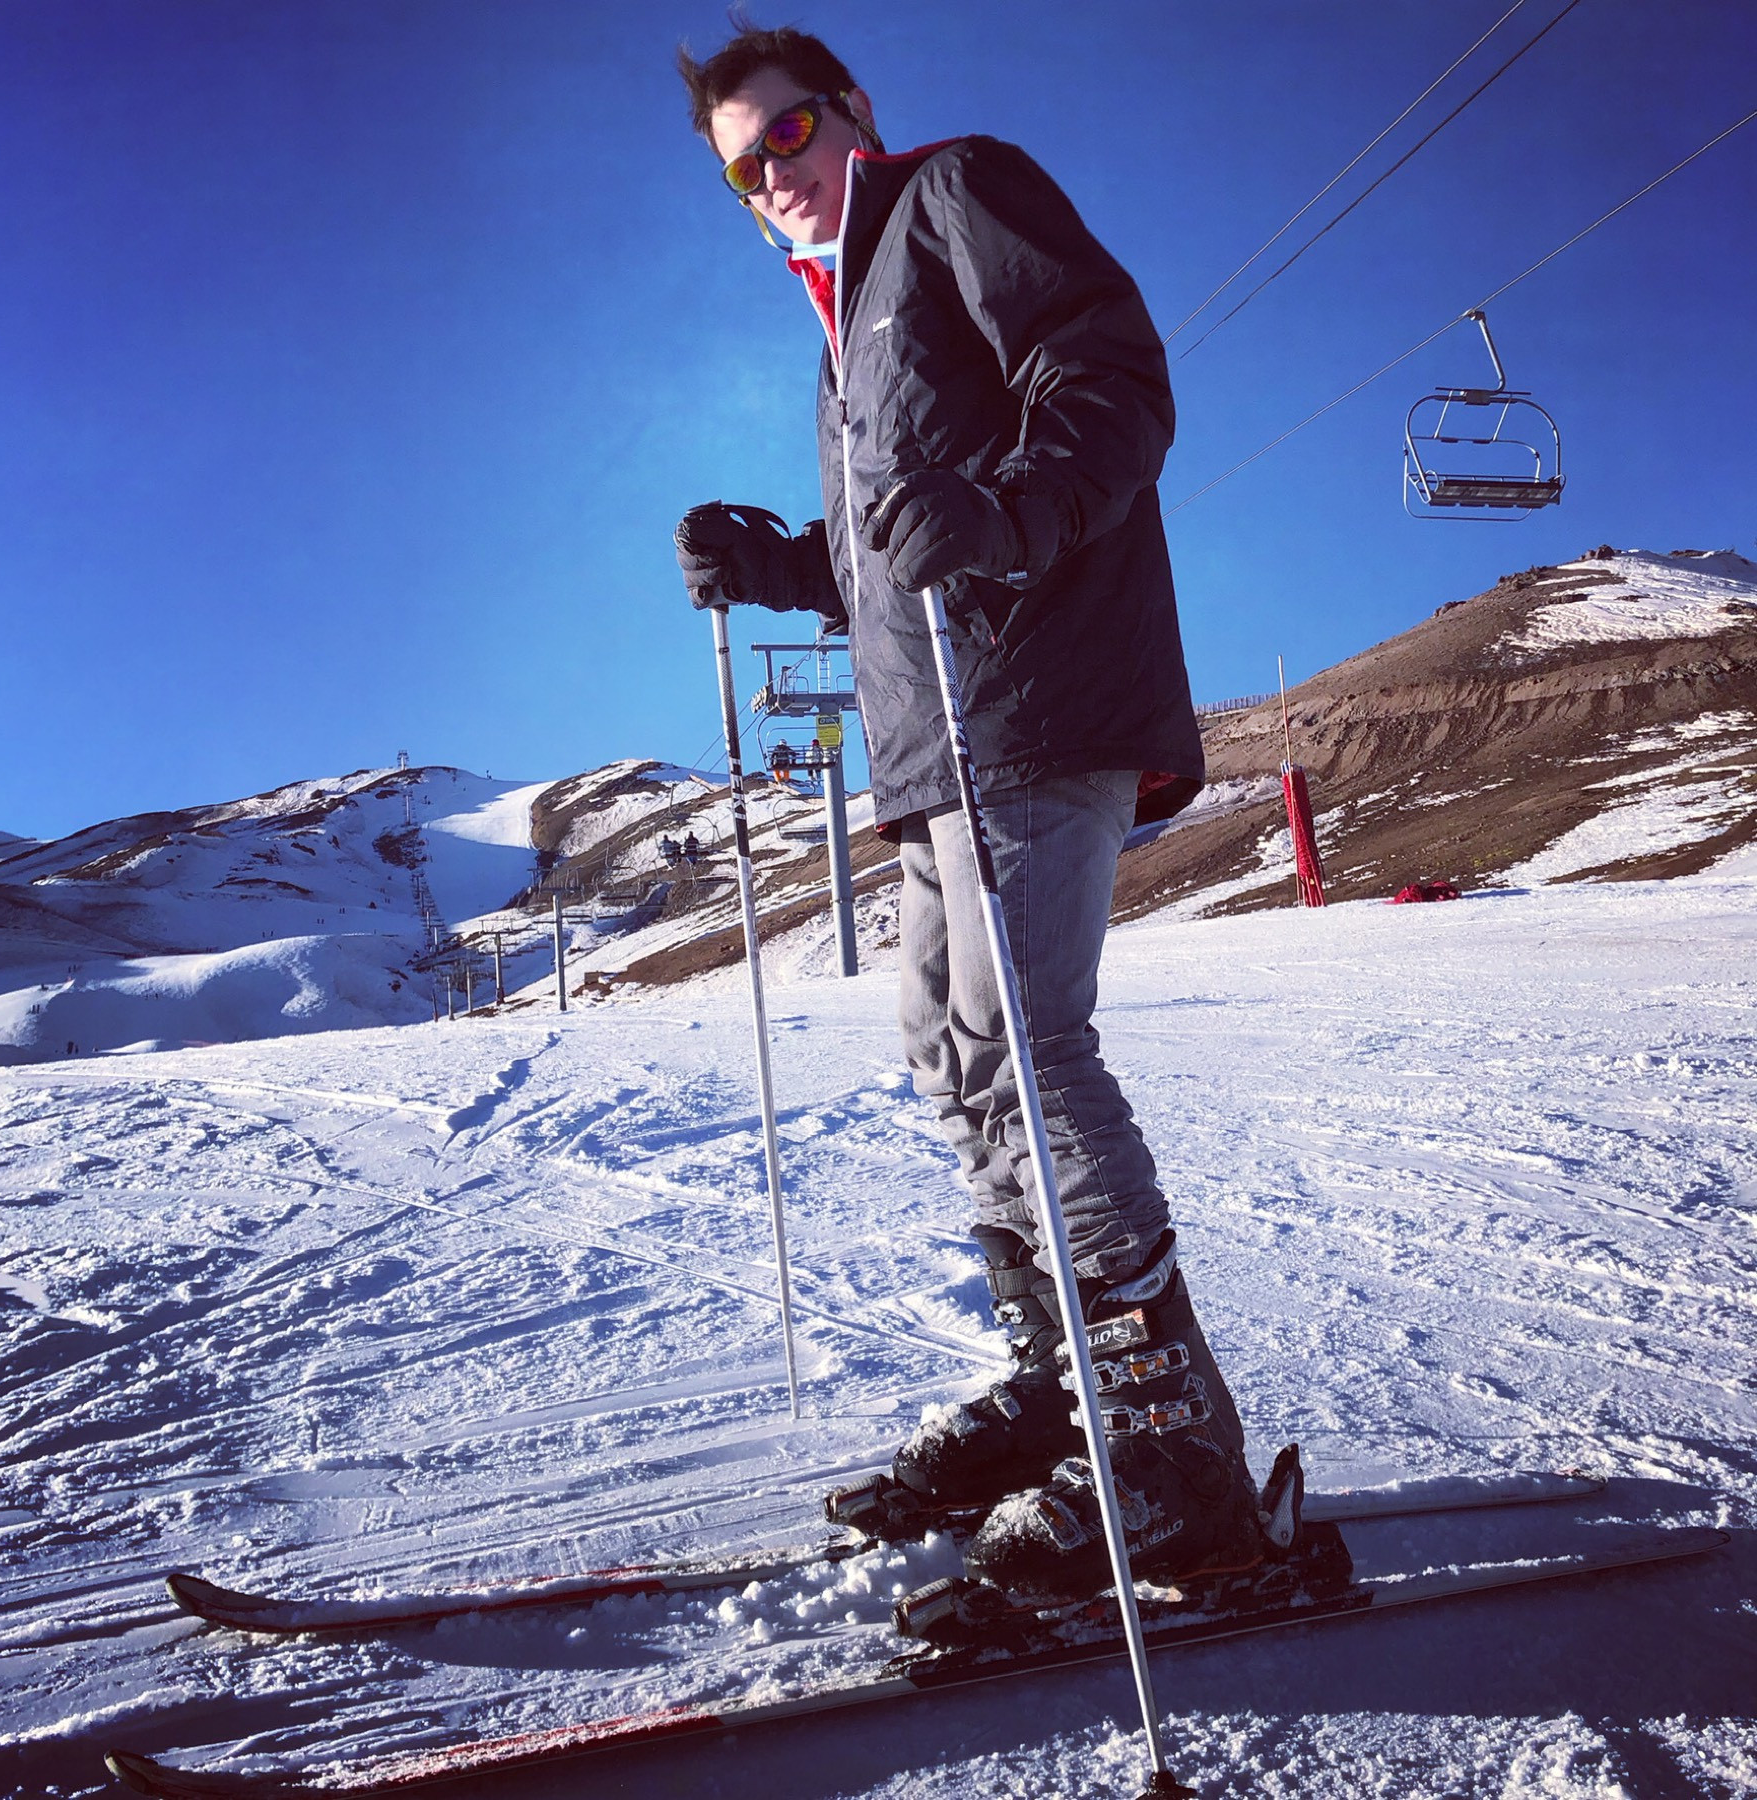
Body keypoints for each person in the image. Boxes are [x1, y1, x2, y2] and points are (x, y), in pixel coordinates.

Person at [673, 20, 1263, 1604]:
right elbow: (895, 546)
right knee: (954, 1055)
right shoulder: (842, 328)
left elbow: (1111, 380)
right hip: (934, 738)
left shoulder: (953, 196)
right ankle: (1071, 1387)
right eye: (742, 172)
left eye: (787, 135)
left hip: (1037, 699)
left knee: (1031, 1050)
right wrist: (781, 566)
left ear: (850, 111)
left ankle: (1174, 1455)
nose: (773, 178)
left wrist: (1007, 513)